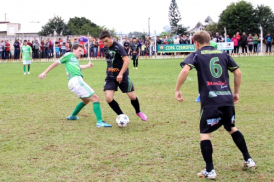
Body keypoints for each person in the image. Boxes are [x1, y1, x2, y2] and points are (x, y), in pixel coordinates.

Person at [175, 30, 255, 179]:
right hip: (226, 99)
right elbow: (237, 73)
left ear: (196, 43)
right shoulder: (223, 54)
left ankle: (210, 170)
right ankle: (248, 159)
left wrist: (177, 89)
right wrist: (236, 93)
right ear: (210, 40)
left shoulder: (196, 54)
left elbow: (185, 70)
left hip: (211, 101)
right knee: (231, 127)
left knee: (205, 133)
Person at [38, 44, 112, 127]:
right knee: (95, 98)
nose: (81, 53)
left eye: (82, 51)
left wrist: (87, 66)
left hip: (72, 83)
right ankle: (100, 122)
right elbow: (56, 63)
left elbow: (78, 67)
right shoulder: (69, 55)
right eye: (79, 50)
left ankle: (72, 116)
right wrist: (44, 72)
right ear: (73, 50)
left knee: (86, 100)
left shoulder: (74, 59)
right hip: (76, 80)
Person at [99, 30, 147, 122]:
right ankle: (122, 116)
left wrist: (120, 74)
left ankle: (138, 111)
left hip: (122, 75)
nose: (104, 43)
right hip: (110, 76)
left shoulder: (118, 47)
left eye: (106, 41)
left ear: (110, 38)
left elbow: (127, 61)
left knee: (132, 96)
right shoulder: (105, 48)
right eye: (103, 41)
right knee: (108, 98)